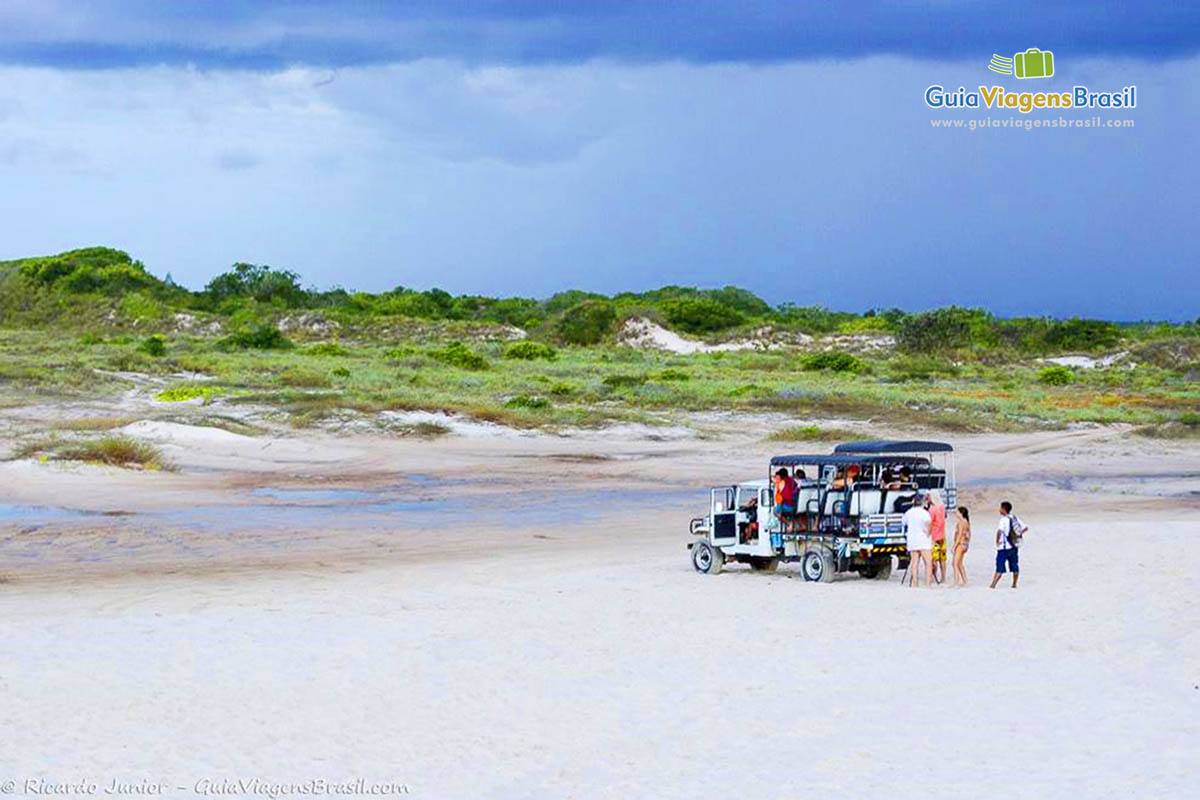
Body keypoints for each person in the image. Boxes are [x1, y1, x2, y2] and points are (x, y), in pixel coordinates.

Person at [989, 501, 1028, 589]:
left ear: (1003, 509)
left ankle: (993, 584)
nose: (999, 510)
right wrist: (1017, 535)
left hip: (1004, 547)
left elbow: (999, 531)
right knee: (1014, 565)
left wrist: (997, 541)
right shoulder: (1014, 518)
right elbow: (1025, 527)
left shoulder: (1003, 519)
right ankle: (1014, 584)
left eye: (1000, 508)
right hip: (1014, 545)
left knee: (1000, 566)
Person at [902, 491, 933, 587]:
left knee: (914, 563)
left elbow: (904, 523)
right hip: (923, 540)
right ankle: (927, 583)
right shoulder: (924, 513)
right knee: (928, 562)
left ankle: (915, 583)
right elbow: (929, 524)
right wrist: (928, 533)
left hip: (912, 540)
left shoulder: (908, 512)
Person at [927, 490, 947, 584]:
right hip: (942, 536)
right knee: (942, 559)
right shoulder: (942, 507)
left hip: (934, 537)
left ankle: (931, 577)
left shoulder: (932, 509)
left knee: (933, 559)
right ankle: (943, 578)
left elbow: (930, 522)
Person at [951, 506, 971, 587]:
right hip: (965, 545)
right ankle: (965, 581)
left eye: (957, 512)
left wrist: (954, 546)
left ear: (961, 513)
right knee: (959, 564)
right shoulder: (966, 522)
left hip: (960, 544)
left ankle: (956, 582)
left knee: (954, 563)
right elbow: (968, 534)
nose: (956, 513)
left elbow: (959, 535)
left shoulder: (961, 523)